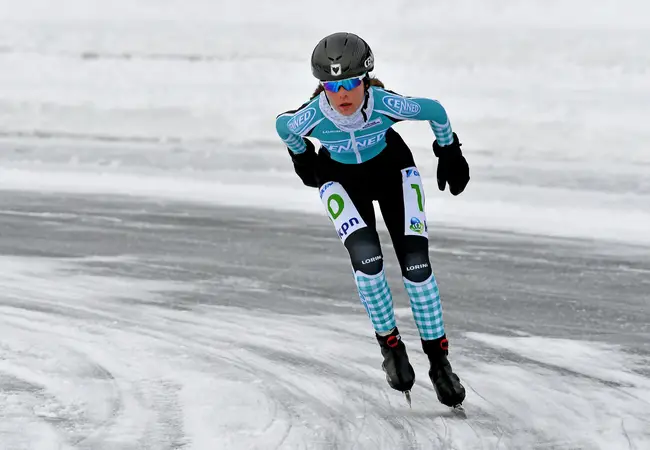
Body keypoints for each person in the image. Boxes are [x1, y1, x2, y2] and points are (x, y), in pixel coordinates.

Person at [275, 32, 468, 408]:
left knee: (417, 267)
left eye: (350, 83)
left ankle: (439, 362)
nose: (343, 94)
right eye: (333, 86)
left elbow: (435, 111)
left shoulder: (385, 104)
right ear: (322, 87)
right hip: (340, 179)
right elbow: (285, 128)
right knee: (368, 265)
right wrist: (302, 157)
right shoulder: (311, 117)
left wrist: (449, 150)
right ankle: (391, 346)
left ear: (365, 79)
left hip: (392, 170)